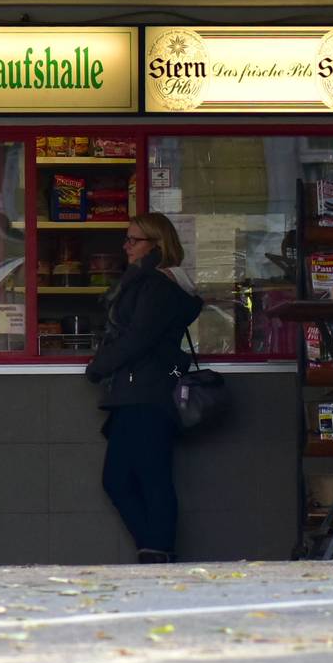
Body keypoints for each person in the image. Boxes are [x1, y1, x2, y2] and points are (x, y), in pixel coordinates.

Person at [86, 211, 202, 565]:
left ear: (157, 244)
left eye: (133, 240)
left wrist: (98, 366)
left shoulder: (156, 286)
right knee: (128, 478)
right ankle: (155, 551)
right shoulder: (149, 282)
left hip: (146, 391)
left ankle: (157, 553)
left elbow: (138, 337)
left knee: (142, 478)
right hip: (139, 390)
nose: (126, 246)